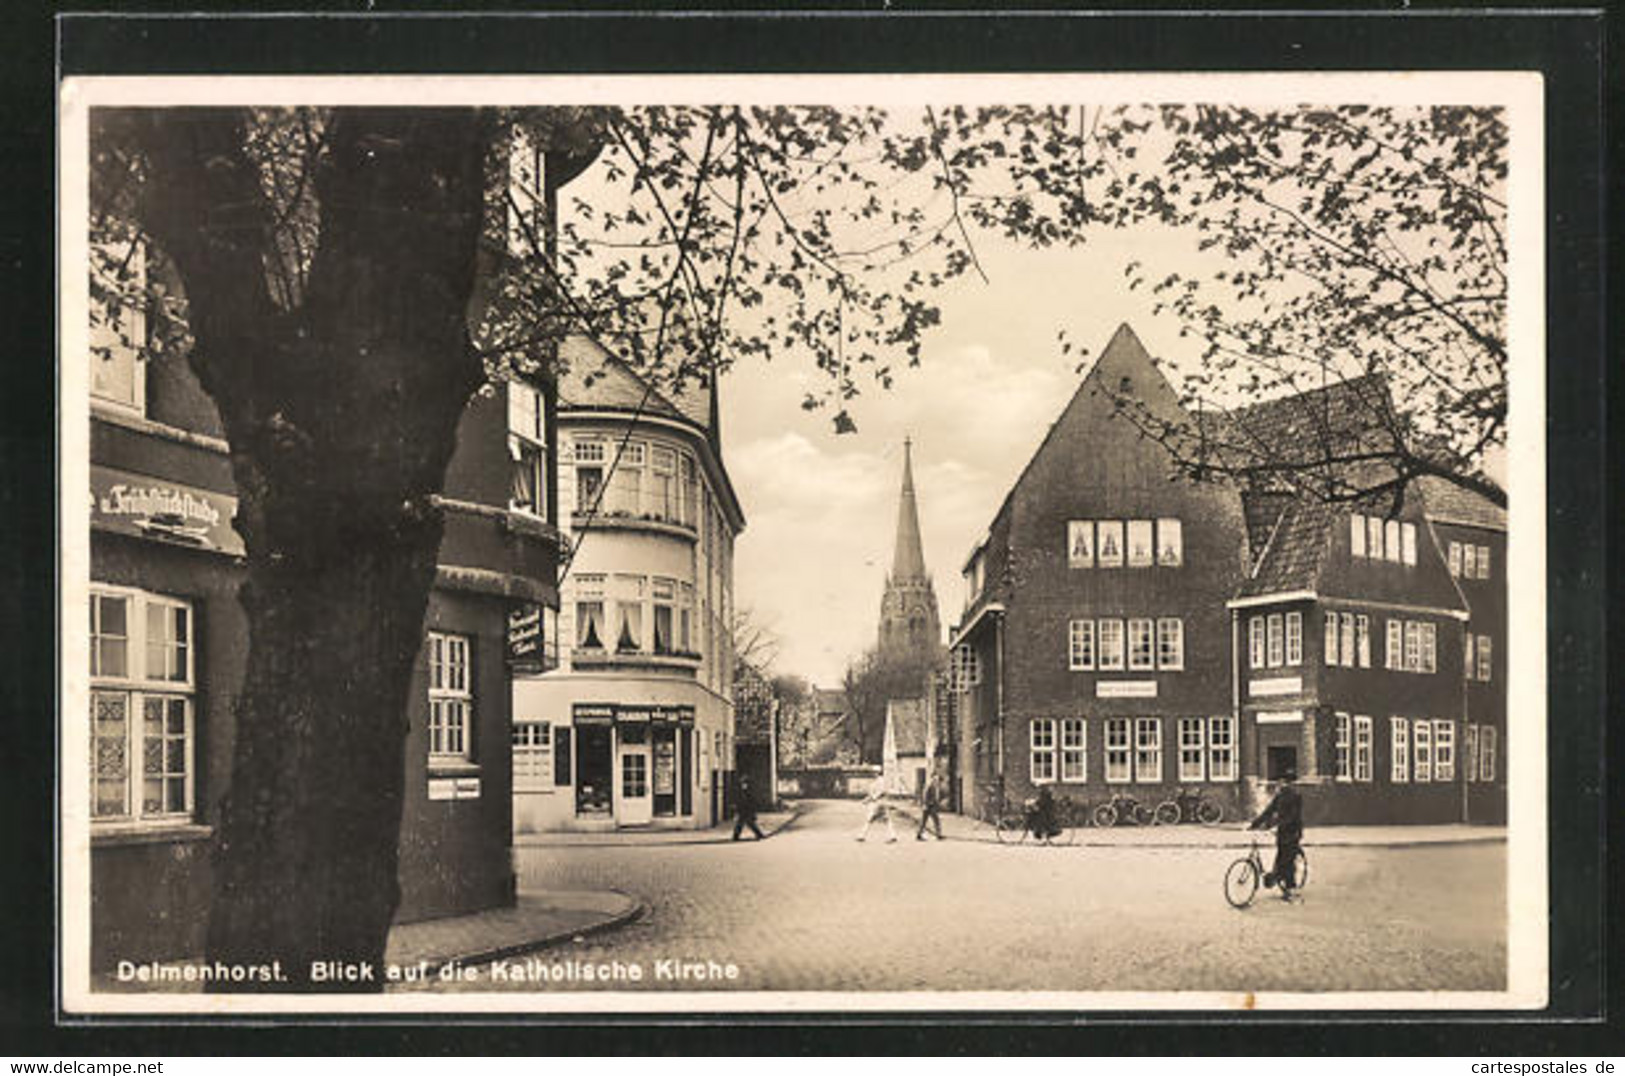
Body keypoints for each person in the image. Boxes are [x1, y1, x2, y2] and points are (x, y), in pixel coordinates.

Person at [1249, 771, 1304, 899]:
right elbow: (1270, 810)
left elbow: (1293, 816)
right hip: (1282, 832)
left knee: (1288, 860)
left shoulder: (1296, 796)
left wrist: (1275, 824)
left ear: (1290, 783)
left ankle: (1291, 889)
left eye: (1285, 782)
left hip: (1292, 832)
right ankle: (1277, 877)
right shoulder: (1280, 796)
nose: (1282, 784)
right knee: (1281, 858)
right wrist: (1255, 823)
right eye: (1281, 781)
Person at [855, 774, 898, 842]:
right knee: (886, 820)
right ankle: (892, 835)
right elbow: (872, 793)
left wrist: (873, 798)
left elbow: (881, 792)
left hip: (879, 802)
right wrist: (867, 799)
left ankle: (862, 835)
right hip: (880, 802)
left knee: (870, 819)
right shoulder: (874, 781)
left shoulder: (880, 781)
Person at [732, 775, 765, 841]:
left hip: (747, 809)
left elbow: (751, 800)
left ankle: (736, 836)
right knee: (744, 823)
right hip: (743, 809)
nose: (744, 785)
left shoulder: (748, 791)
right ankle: (759, 834)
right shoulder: (741, 791)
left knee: (746, 823)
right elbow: (739, 800)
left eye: (744, 783)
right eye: (742, 783)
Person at [916, 772, 944, 841]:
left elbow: (936, 796)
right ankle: (938, 834)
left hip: (931, 805)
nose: (936, 781)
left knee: (928, 821)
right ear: (932, 778)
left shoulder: (935, 786)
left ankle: (920, 834)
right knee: (933, 820)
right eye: (935, 779)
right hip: (929, 805)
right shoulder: (929, 785)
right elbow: (925, 795)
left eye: (937, 779)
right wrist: (925, 804)